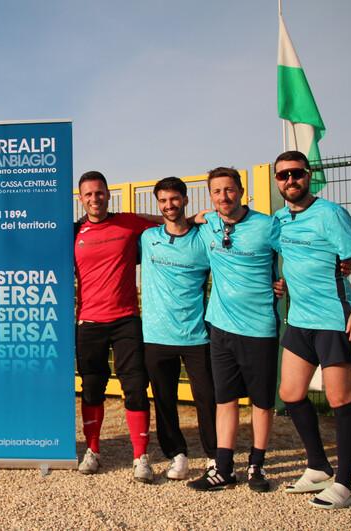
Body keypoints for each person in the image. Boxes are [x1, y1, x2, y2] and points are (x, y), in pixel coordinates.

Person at [273, 151, 351, 509]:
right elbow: (290, 258)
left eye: (296, 173)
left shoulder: (330, 214)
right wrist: (283, 282)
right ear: (277, 181)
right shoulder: (279, 219)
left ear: (308, 175)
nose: (290, 180)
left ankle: (344, 484)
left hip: (333, 318)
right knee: (290, 393)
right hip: (300, 320)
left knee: (339, 398)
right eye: (283, 175)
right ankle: (318, 467)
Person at [187, 167, 281, 493]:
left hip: (259, 328)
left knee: (262, 402)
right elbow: (179, 222)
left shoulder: (268, 225)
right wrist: (195, 216)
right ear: (210, 196)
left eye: (229, 190)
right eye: (216, 191)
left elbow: (297, 254)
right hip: (221, 327)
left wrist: (284, 280)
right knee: (224, 399)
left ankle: (257, 465)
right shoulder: (208, 224)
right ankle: (224, 469)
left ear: (241, 191)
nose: (223, 197)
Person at [74, 170, 159, 483]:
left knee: (135, 387)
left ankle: (140, 456)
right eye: (88, 194)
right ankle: (93, 451)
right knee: (91, 389)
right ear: (81, 199)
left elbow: (167, 222)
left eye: (99, 193)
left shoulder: (128, 222)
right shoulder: (74, 231)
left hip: (126, 320)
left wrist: (193, 219)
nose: (94, 199)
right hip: (89, 322)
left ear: (109, 195)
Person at [140, 177, 217, 481]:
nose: (169, 205)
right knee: (164, 400)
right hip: (156, 335)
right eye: (163, 200)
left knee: (207, 398)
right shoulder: (148, 238)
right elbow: (125, 221)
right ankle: (178, 455)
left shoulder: (203, 239)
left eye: (174, 199)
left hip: (196, 334)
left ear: (185, 199)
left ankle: (214, 457)